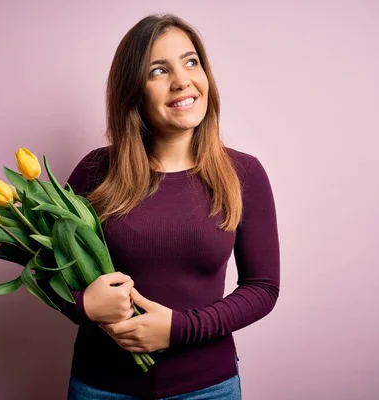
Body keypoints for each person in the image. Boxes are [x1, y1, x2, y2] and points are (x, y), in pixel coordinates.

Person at [56, 13, 280, 400]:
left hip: (208, 388)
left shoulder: (244, 172)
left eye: (191, 62)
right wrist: (83, 305)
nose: (182, 81)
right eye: (159, 70)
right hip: (102, 388)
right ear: (133, 91)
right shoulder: (96, 171)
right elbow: (47, 269)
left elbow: (263, 288)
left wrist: (178, 328)